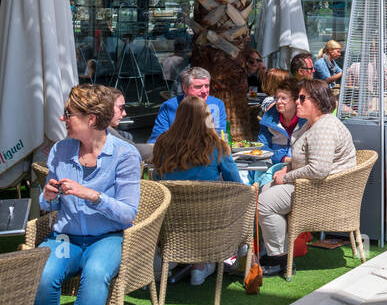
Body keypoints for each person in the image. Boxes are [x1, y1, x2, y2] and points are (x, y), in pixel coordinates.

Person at [35, 85, 142, 305]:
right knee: (43, 276)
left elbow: (128, 212)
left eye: (69, 113)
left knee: (95, 273)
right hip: (65, 238)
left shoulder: (125, 154)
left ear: (91, 119)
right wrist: (47, 196)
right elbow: (46, 204)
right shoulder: (60, 150)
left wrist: (93, 196)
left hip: (107, 238)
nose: (62, 118)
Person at [256, 79, 358, 275]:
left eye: (302, 98)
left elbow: (318, 170)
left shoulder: (324, 128)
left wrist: (287, 176)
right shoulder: (313, 124)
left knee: (264, 203)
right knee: (263, 191)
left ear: (318, 101)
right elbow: (306, 159)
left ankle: (280, 258)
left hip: (323, 192)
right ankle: (277, 250)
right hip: (312, 186)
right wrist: (287, 168)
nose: (297, 102)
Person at [150, 95, 242, 286]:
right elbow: (236, 183)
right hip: (211, 222)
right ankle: (200, 267)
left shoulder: (162, 143)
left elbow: (158, 179)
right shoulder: (216, 145)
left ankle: (177, 259)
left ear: (178, 116)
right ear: (206, 117)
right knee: (240, 198)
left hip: (172, 221)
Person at [150, 68, 227, 142]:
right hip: (176, 152)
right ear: (184, 88)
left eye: (207, 86)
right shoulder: (169, 106)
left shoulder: (217, 104)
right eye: (198, 87)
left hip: (207, 152)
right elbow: (157, 139)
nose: (204, 91)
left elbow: (219, 136)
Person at [257, 77, 305, 164]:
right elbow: (262, 146)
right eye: (277, 97)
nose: (278, 101)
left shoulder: (306, 120)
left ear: (296, 100)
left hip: (299, 166)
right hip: (273, 164)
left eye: (284, 98)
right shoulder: (269, 118)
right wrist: (282, 158)